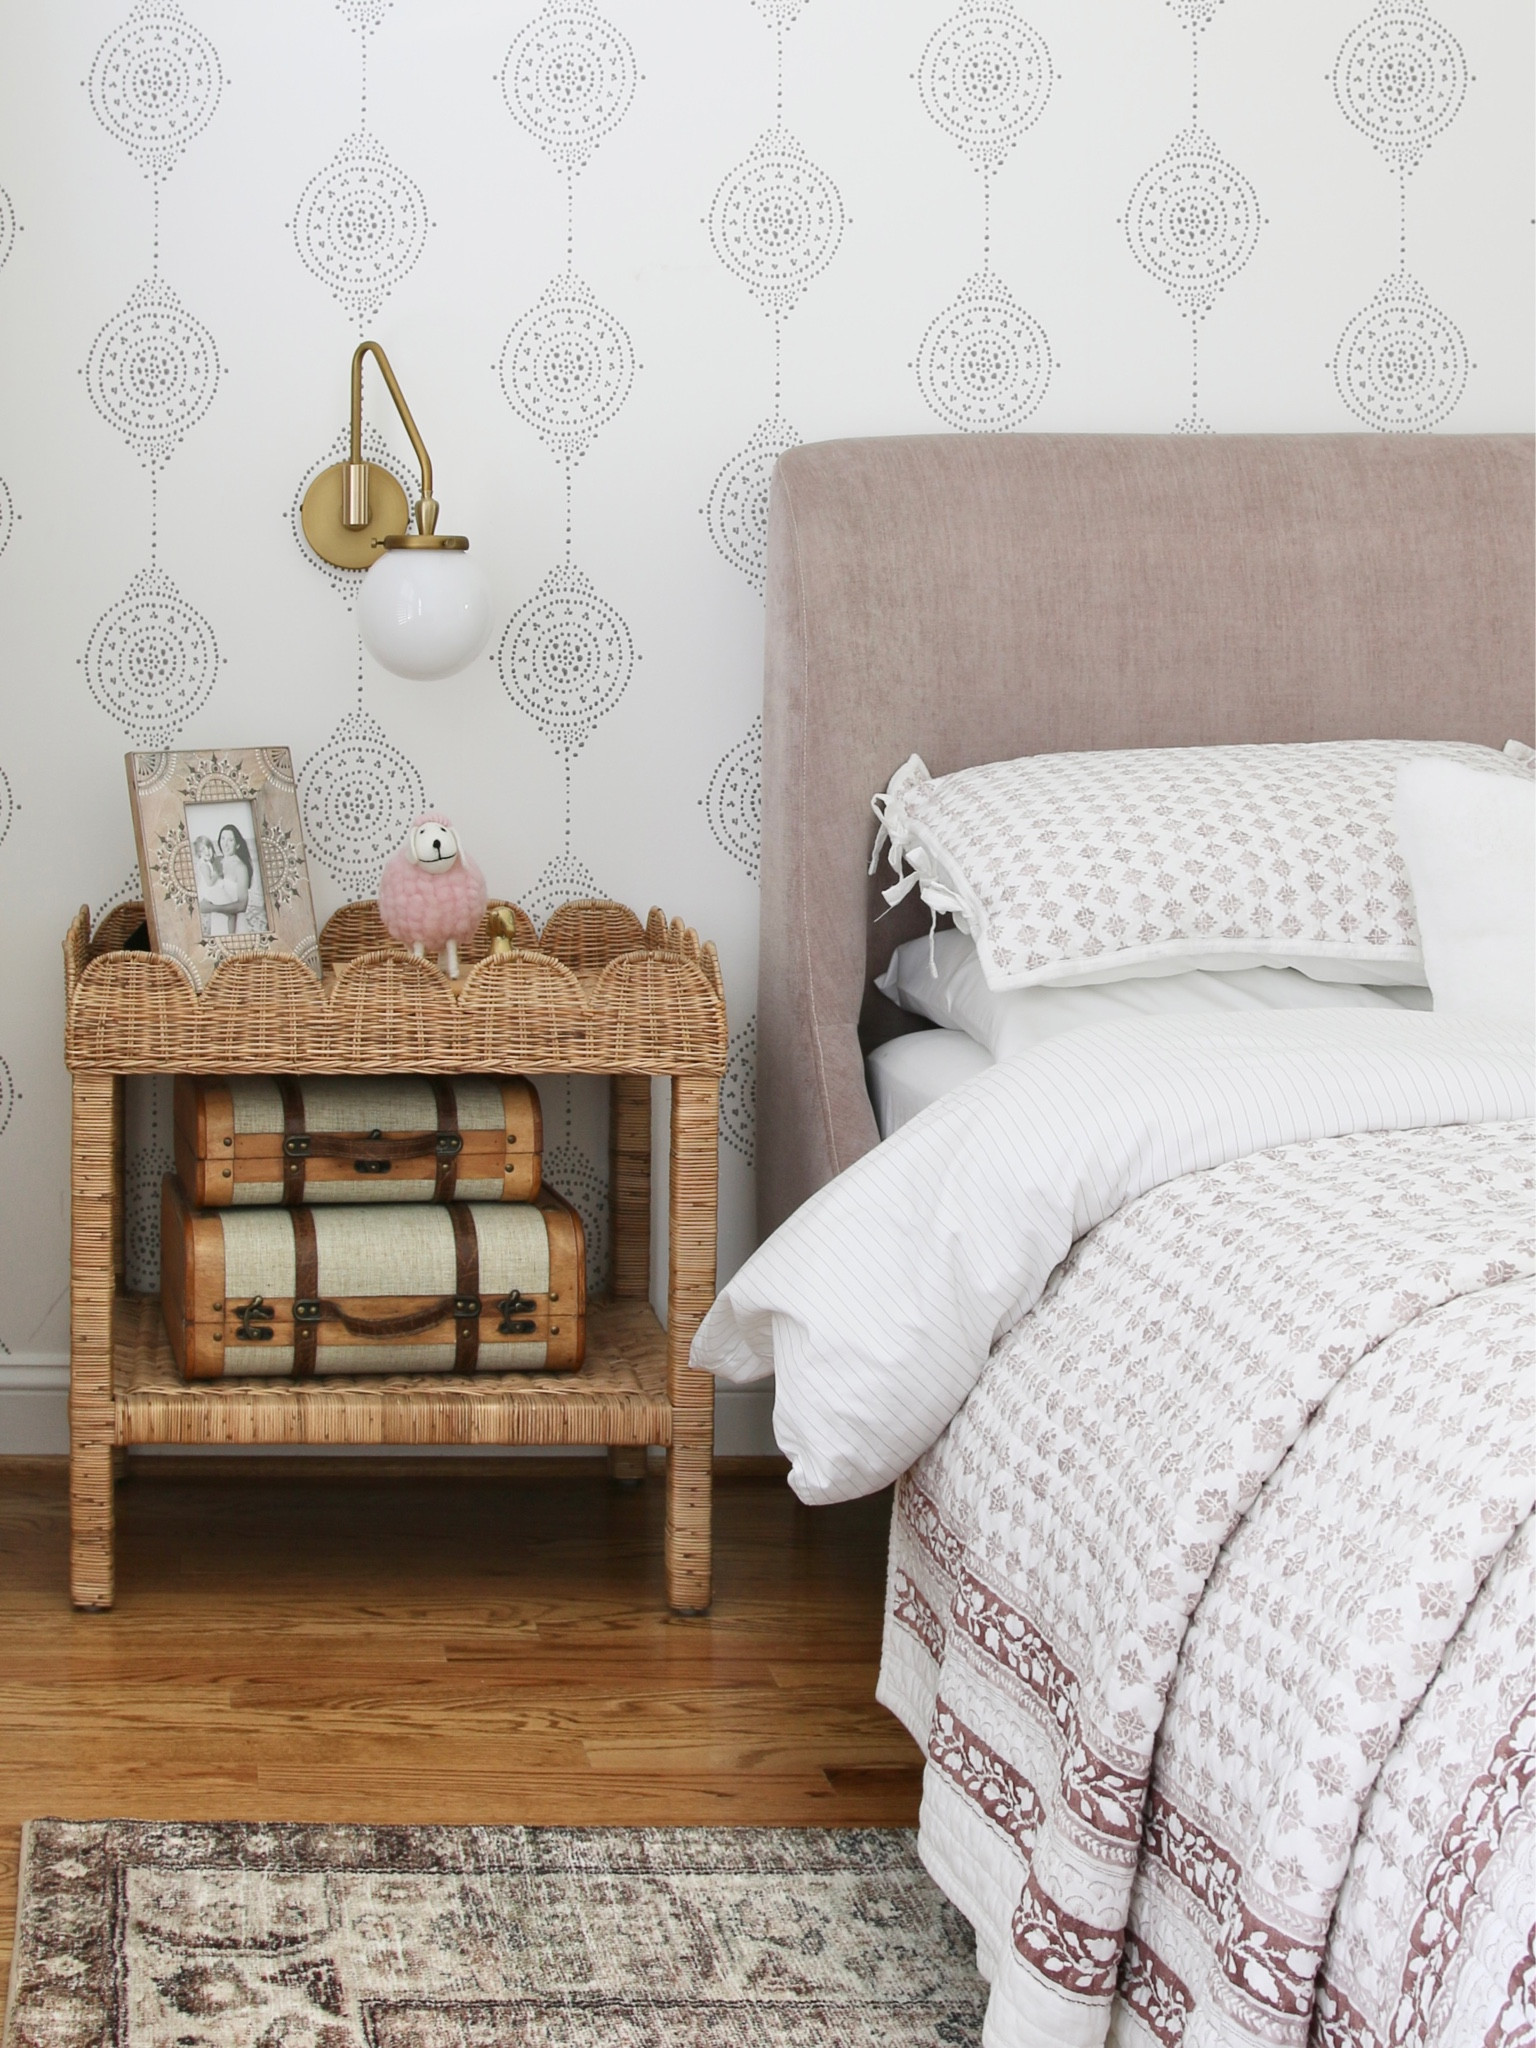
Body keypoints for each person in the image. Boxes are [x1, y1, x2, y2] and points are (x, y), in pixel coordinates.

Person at [197, 822, 264, 936]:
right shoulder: (216, 861)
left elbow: (242, 905)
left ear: (237, 845)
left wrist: (213, 907)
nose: (225, 844)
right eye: (223, 839)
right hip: (217, 921)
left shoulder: (240, 868)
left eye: (230, 840)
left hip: (235, 924)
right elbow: (208, 889)